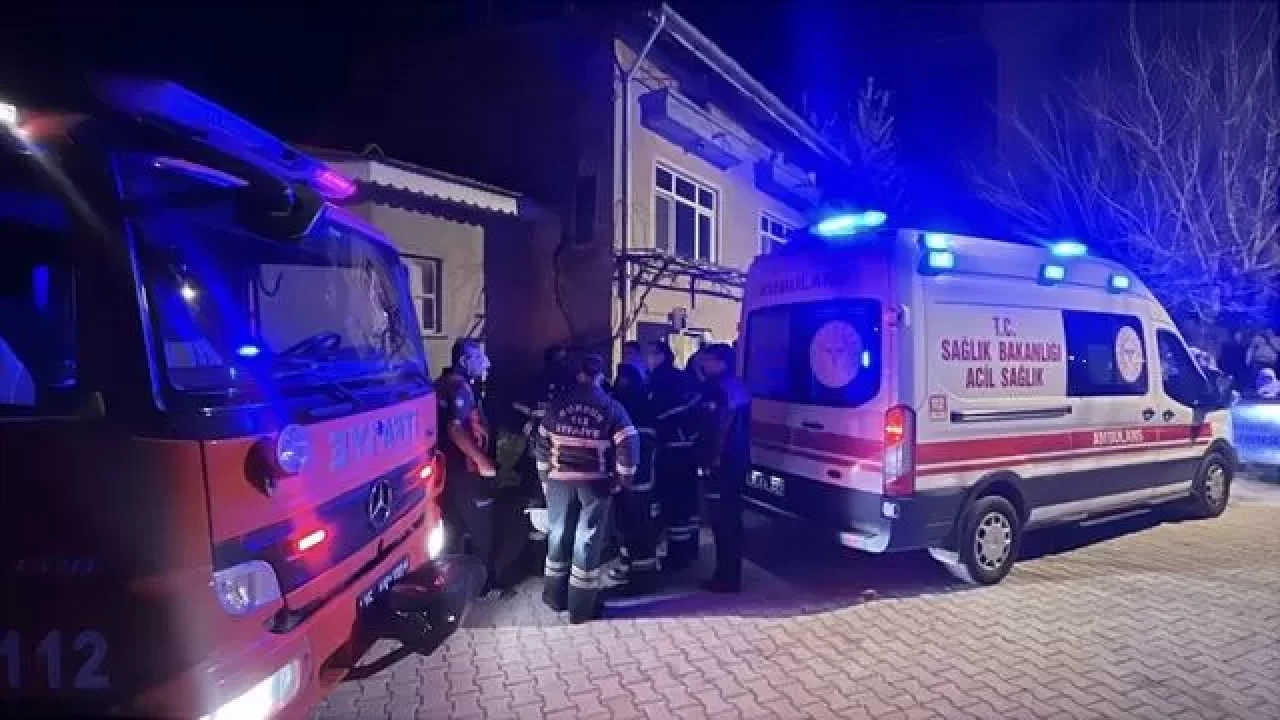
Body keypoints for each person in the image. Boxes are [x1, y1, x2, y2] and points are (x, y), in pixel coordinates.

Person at [534, 353, 640, 623]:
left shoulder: (557, 405)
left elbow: (542, 445)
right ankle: (581, 607)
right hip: (595, 483)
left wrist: (545, 480)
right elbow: (629, 445)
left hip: (559, 482)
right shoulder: (611, 407)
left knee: (558, 536)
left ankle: (554, 596)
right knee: (587, 539)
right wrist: (622, 481)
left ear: (578, 374)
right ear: (600, 376)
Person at [436, 339, 500, 597]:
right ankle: (482, 585)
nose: (486, 363)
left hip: (448, 471)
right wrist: (483, 462)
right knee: (483, 530)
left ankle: (451, 584)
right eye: (479, 358)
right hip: (468, 471)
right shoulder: (460, 388)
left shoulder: (442, 384)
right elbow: (455, 428)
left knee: (453, 528)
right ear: (464, 360)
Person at [694, 343, 750, 593]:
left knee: (722, 521)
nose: (703, 364)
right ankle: (729, 574)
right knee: (731, 520)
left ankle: (725, 577)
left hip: (723, 463)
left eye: (707, 360)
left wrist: (712, 459)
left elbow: (719, 428)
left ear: (720, 362)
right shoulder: (736, 386)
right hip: (736, 461)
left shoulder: (719, 389)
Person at [645, 340, 702, 573]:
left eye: (652, 354)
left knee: (673, 503)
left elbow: (655, 414)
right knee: (687, 502)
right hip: (688, 448)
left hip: (670, 449)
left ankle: (677, 557)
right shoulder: (682, 378)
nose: (649, 359)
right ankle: (690, 549)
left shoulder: (660, 380)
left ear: (661, 356)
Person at [607, 361, 660, 595]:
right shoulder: (641, 403)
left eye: (622, 378)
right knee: (631, 525)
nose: (620, 382)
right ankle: (633, 567)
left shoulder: (628, 406)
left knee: (636, 525)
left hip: (634, 478)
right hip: (636, 475)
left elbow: (636, 442)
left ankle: (643, 578)